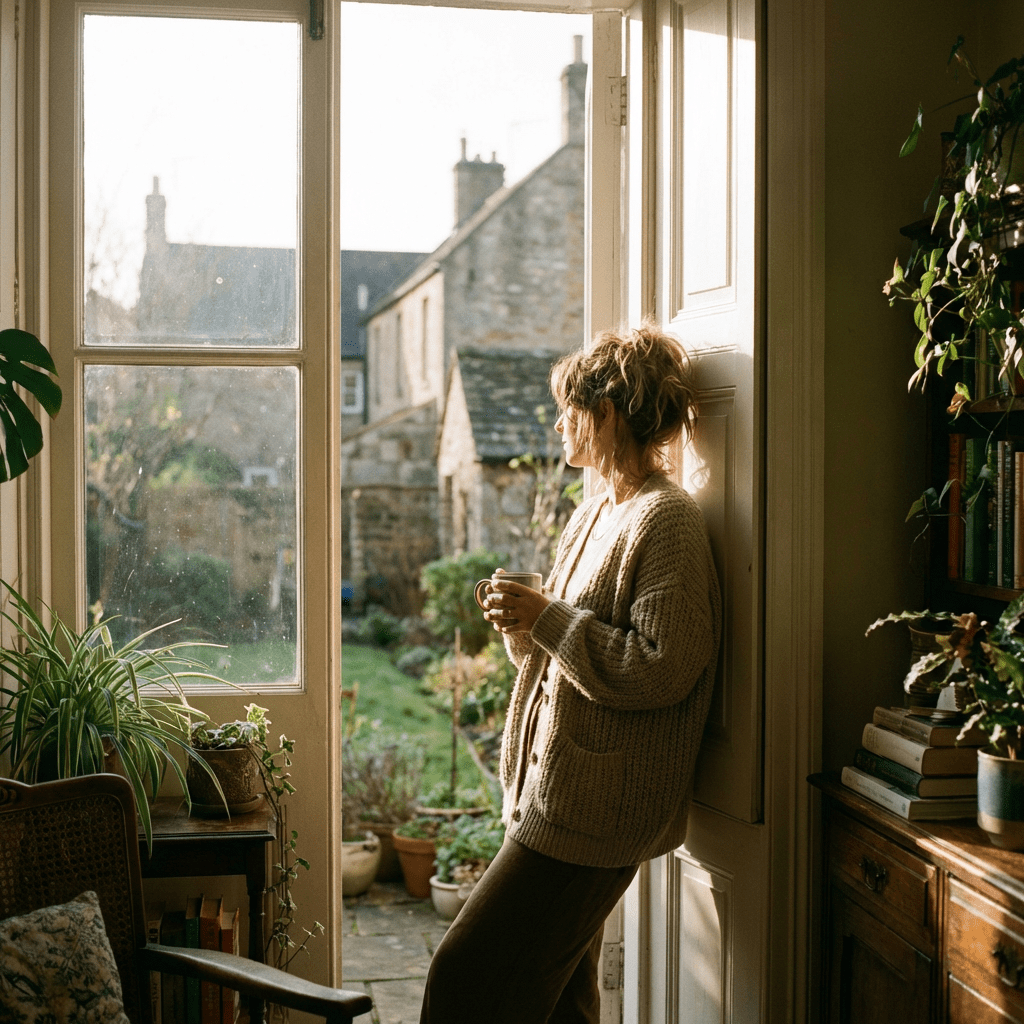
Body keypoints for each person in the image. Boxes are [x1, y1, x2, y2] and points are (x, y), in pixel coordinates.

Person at [418, 320, 721, 1024]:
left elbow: (661, 667)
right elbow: (555, 651)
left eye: (569, 410)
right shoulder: (590, 516)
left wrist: (548, 618)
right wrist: (522, 626)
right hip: (552, 791)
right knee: (562, 1005)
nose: (558, 425)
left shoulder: (666, 520)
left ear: (607, 414)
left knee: (461, 977)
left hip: (594, 808)